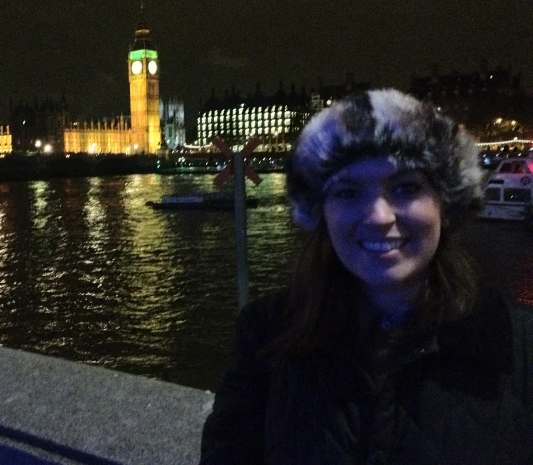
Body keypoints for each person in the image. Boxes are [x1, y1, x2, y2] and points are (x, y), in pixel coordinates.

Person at [200, 89, 533, 464]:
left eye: (406, 188)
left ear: (446, 203)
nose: (378, 217)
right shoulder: (265, 334)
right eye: (348, 191)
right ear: (321, 212)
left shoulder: (519, 345)